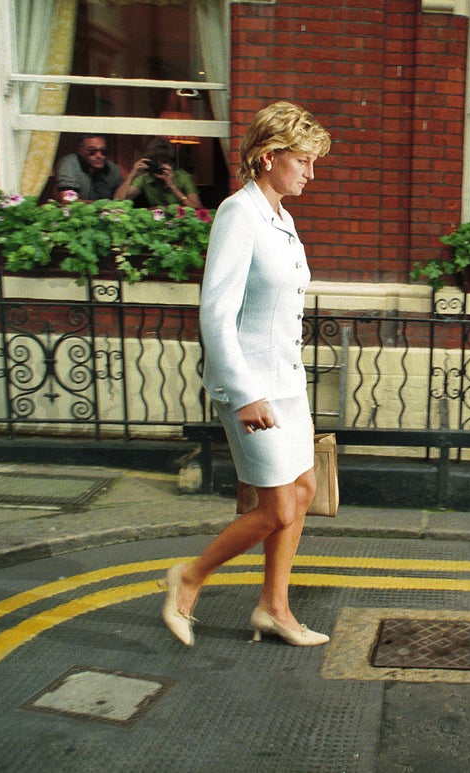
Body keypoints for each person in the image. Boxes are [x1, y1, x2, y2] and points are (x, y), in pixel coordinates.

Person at [160, 101, 331, 649]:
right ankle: (188, 578)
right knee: (275, 506)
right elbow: (216, 313)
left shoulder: (281, 218)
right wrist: (244, 392)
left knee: (303, 491)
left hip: (286, 382)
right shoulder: (239, 213)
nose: (311, 172)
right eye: (303, 160)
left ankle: (274, 608)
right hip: (251, 386)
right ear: (268, 156)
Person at [117, 137, 203, 209]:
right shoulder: (146, 178)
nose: (160, 166)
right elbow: (118, 201)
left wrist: (173, 186)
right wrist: (132, 174)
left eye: (164, 162)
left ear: (171, 163)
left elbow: (198, 208)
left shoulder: (183, 177)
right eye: (155, 162)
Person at [55, 133, 132, 201]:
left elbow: (120, 200)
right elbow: (68, 200)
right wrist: (102, 205)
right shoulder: (70, 163)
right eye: (91, 151)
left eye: (103, 151)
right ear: (80, 151)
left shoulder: (112, 168)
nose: (99, 155)